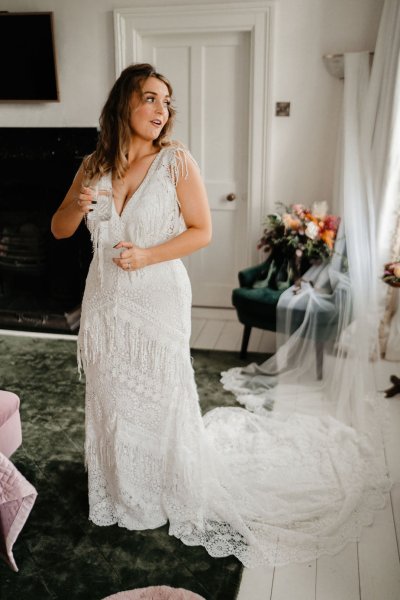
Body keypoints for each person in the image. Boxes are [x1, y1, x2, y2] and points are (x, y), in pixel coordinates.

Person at [51, 63, 389, 568]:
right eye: (150, 98)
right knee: (113, 394)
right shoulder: (93, 165)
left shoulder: (176, 162)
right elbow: (58, 229)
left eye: (167, 101)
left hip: (157, 297)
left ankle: (163, 487)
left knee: (159, 396)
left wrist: (145, 255)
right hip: (104, 301)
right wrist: (77, 207)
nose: (161, 110)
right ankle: (122, 491)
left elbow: (201, 230)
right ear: (124, 102)